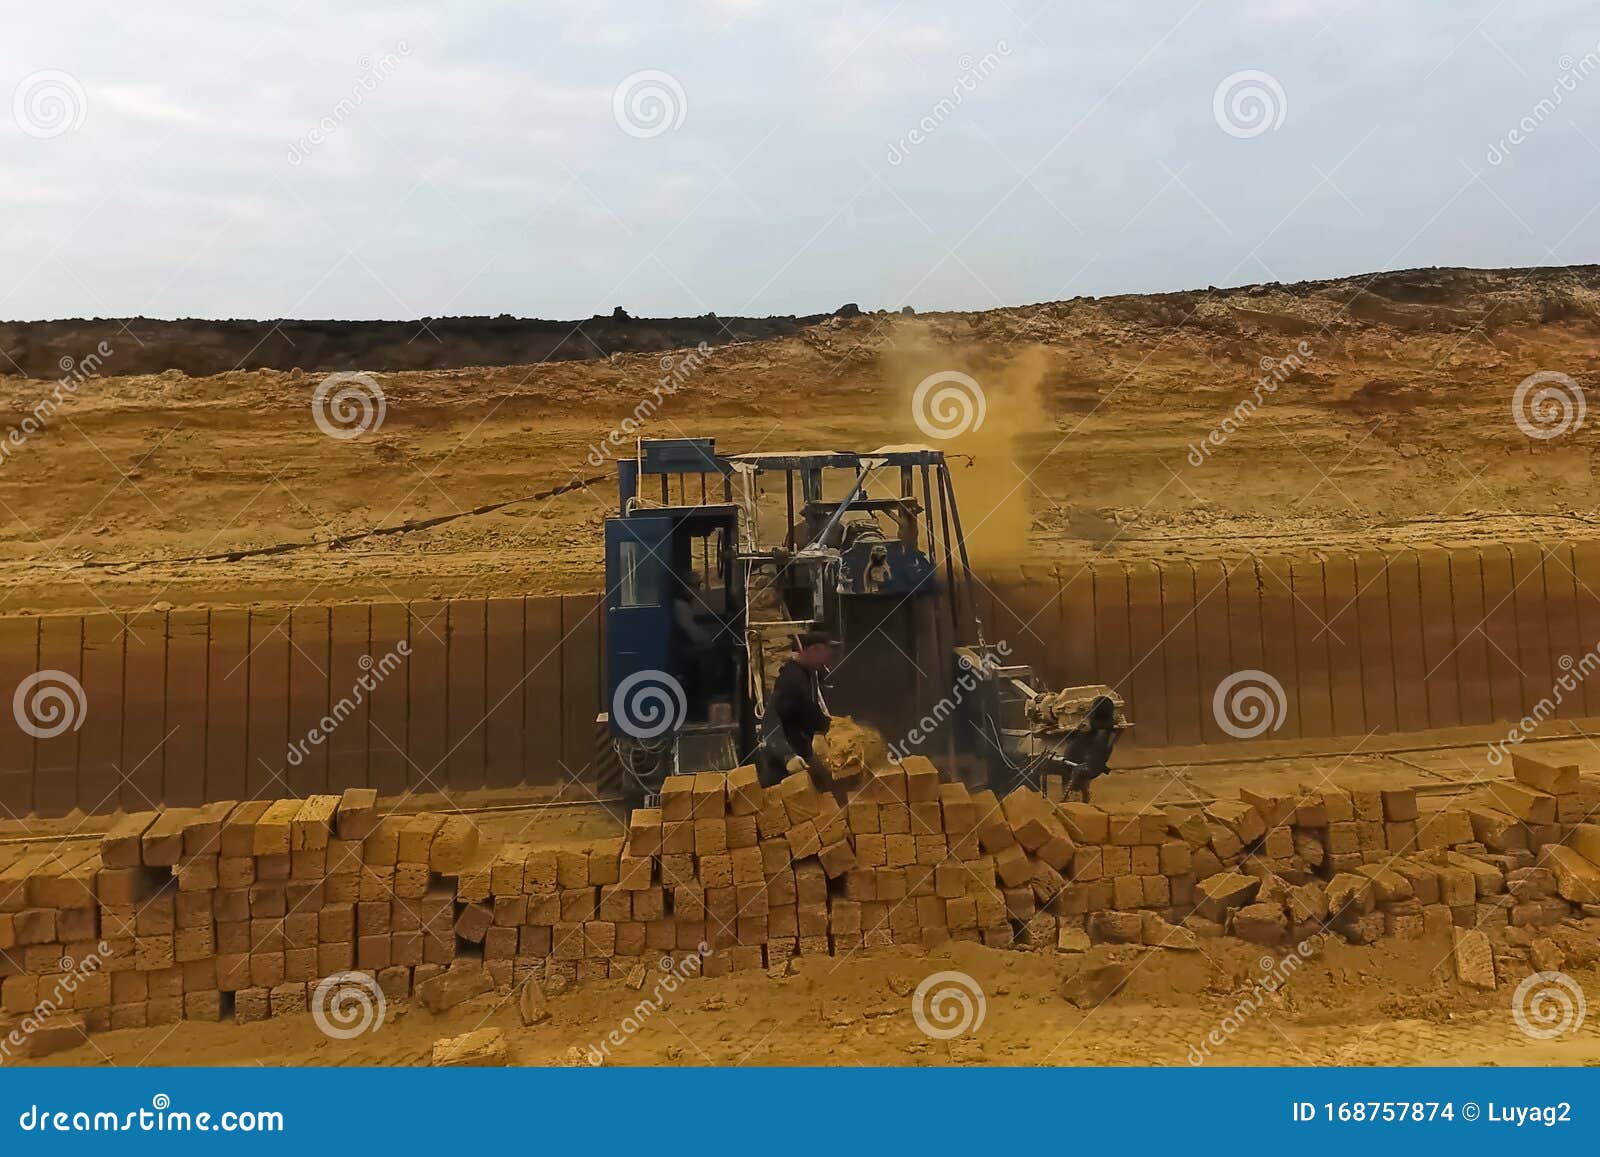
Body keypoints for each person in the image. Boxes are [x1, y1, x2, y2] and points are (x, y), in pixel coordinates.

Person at [759, 630, 838, 793]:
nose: (830, 655)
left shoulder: (809, 675)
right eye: (826, 650)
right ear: (813, 650)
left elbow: (808, 712)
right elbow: (771, 718)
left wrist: (836, 726)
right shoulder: (791, 679)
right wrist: (787, 756)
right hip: (783, 768)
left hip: (802, 758)